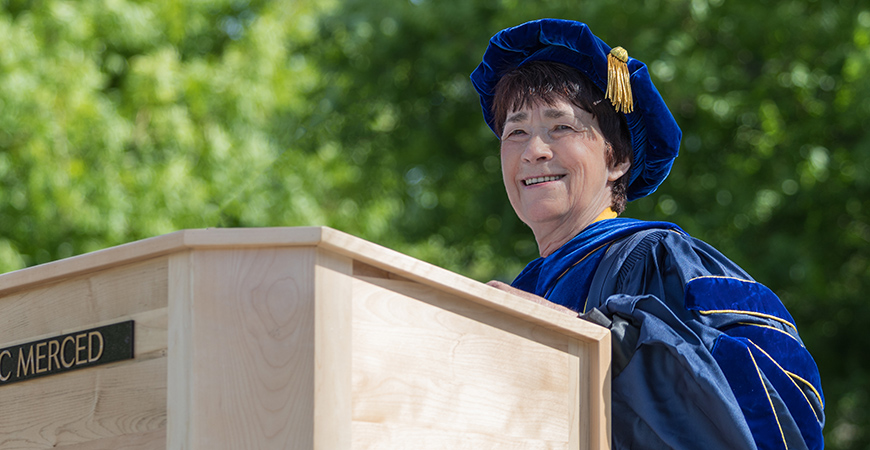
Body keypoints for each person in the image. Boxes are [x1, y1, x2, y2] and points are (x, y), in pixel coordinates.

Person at [471, 19, 824, 450]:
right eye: (516, 132)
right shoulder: (519, 292)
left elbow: (780, 406)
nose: (533, 150)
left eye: (560, 127)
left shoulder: (661, 257)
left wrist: (595, 340)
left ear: (617, 158)